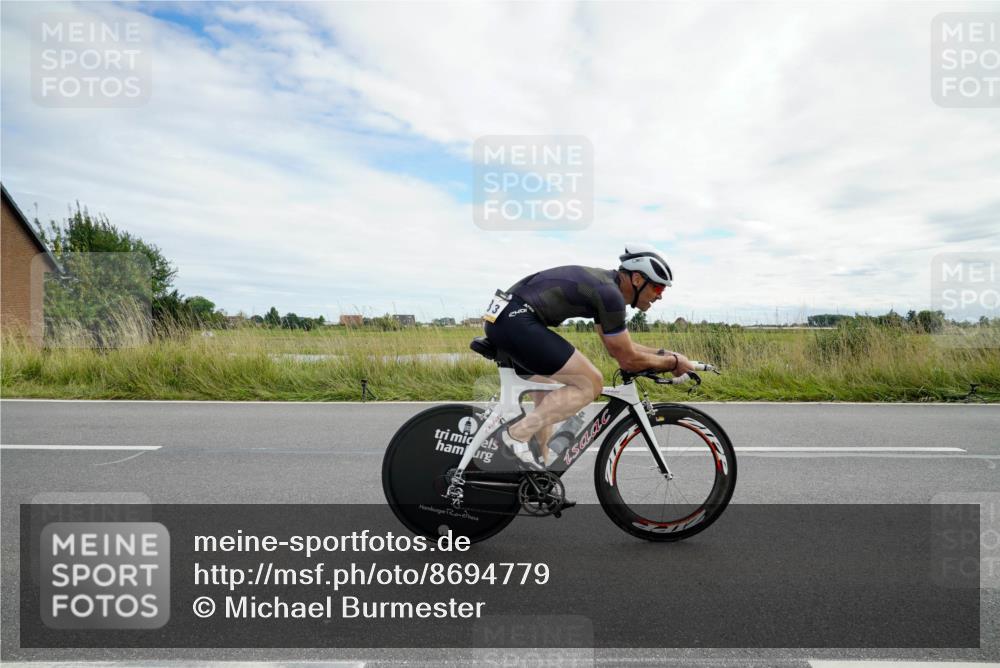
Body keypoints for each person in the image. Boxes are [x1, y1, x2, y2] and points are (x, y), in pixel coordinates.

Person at [483, 243, 696, 468]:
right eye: (658, 288)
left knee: (546, 403)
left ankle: (537, 479)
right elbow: (627, 360)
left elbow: (621, 346)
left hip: (507, 318)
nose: (659, 297)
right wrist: (672, 363)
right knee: (590, 383)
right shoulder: (610, 294)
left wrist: (667, 355)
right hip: (516, 319)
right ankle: (515, 436)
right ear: (636, 279)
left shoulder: (606, 289)